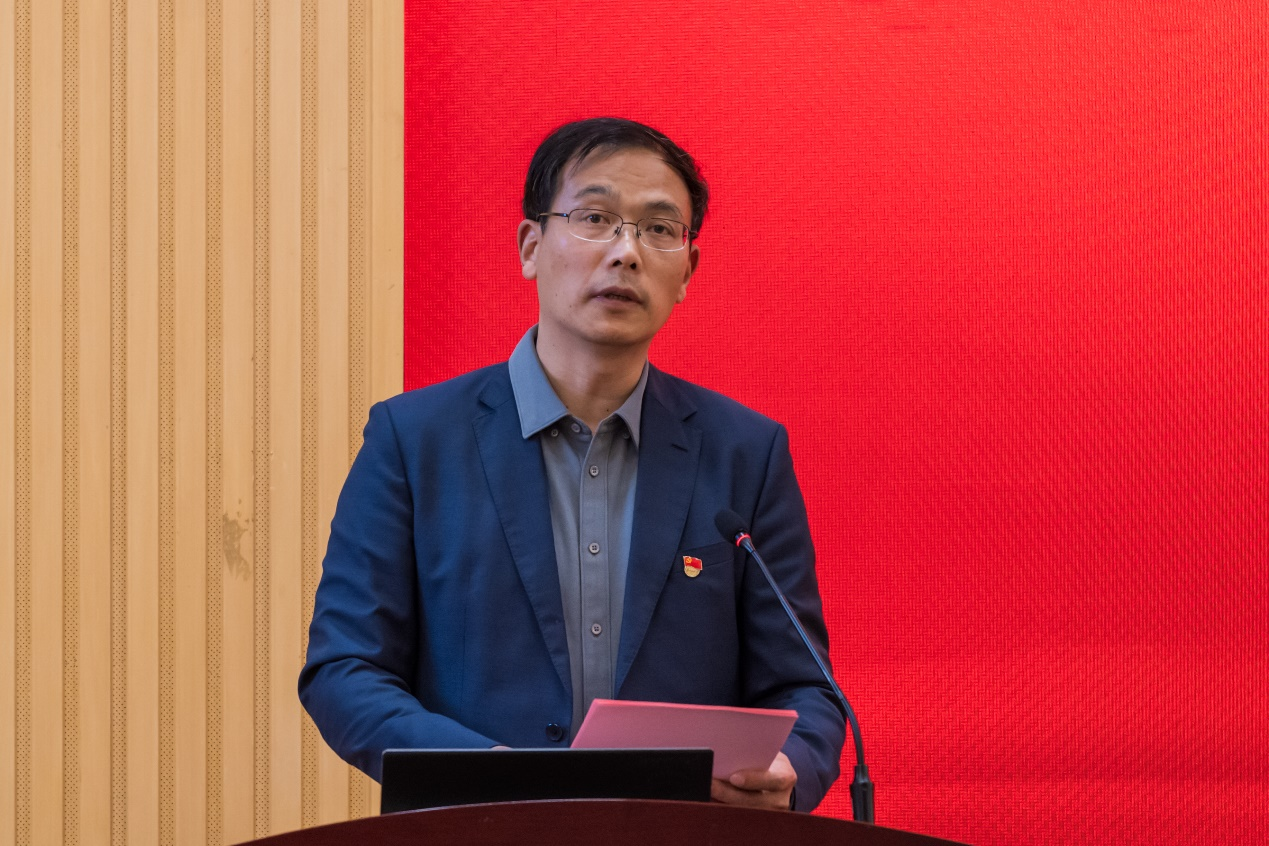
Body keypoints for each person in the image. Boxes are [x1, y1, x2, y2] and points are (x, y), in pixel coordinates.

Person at [299, 117, 846, 811]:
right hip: (476, 829)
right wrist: (484, 775)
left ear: (686, 271)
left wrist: (792, 766)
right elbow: (345, 669)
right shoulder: (413, 441)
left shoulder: (745, 451)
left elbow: (805, 686)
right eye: (594, 219)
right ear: (531, 247)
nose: (626, 252)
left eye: (658, 229)